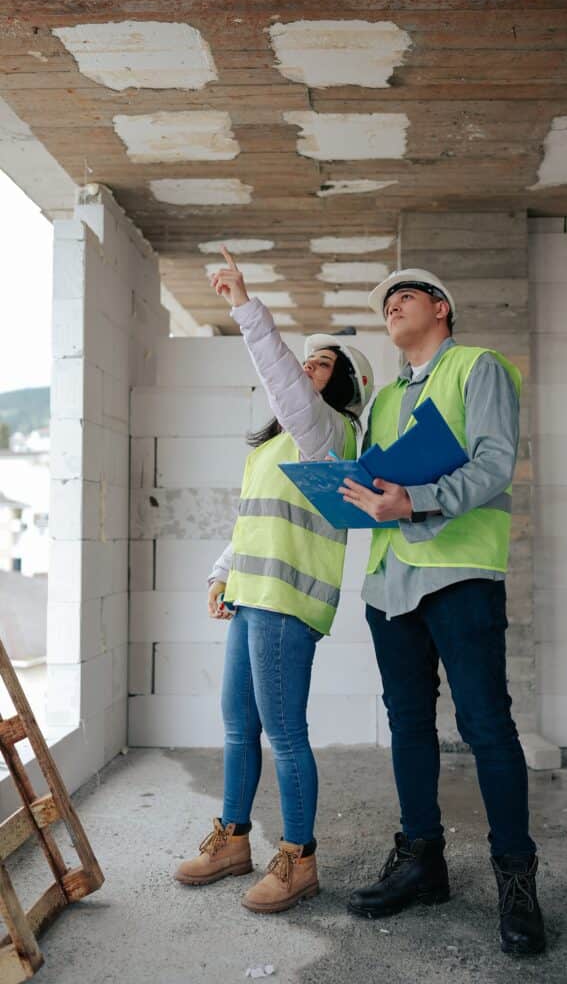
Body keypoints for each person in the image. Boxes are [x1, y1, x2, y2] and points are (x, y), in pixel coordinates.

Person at [339, 269, 546, 956]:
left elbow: (493, 465)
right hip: (387, 582)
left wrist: (414, 500)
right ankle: (422, 861)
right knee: (407, 726)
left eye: (407, 293)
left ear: (441, 308)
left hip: (457, 574)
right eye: (384, 301)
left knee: (486, 728)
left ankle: (516, 879)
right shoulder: (386, 396)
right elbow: (376, 482)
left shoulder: (475, 367)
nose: (391, 302)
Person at [174, 249, 374, 914]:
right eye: (306, 359)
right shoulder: (274, 445)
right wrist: (220, 574)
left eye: (322, 364)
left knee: (283, 732)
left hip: (289, 603)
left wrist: (244, 306)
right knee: (237, 726)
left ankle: (298, 858)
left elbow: (284, 385)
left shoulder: (331, 434)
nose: (305, 369)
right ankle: (233, 840)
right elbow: (251, 523)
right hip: (251, 594)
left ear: (345, 387)